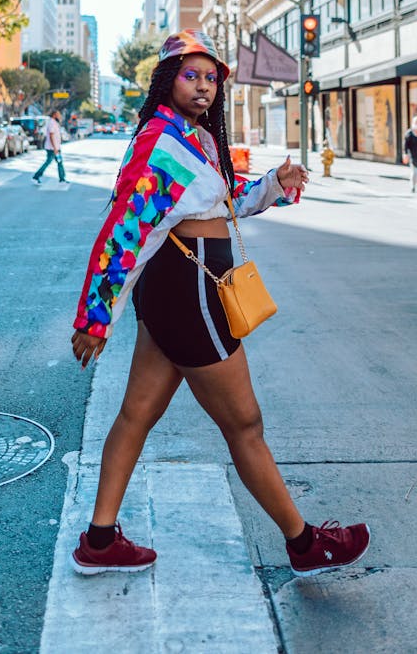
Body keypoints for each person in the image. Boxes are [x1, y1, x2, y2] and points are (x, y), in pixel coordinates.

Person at [69, 30, 370, 578]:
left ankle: (100, 539)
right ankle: (304, 544)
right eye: (192, 75)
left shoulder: (194, 139)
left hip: (184, 287)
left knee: (138, 414)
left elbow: (222, 206)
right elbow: (125, 232)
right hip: (190, 291)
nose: (204, 86)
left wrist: (274, 185)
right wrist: (96, 316)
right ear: (167, 80)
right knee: (245, 424)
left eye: (212, 78)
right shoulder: (163, 142)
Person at [31, 108, 67, 186]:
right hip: (52, 148)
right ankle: (36, 177)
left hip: (56, 147)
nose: (59, 116)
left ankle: (62, 179)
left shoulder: (54, 122)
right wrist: (55, 148)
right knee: (49, 162)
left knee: (59, 162)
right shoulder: (51, 123)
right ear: (54, 115)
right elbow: (51, 135)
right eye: (58, 114)